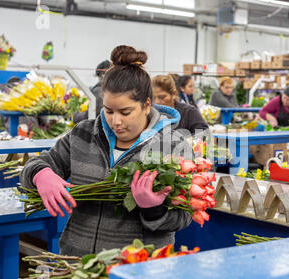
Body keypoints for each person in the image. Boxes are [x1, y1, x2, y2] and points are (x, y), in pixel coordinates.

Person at [20, 45, 193, 256]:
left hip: (136, 269)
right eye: (108, 111)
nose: (116, 121)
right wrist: (40, 175)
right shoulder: (83, 134)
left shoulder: (173, 146)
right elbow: (35, 166)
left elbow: (183, 218)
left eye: (125, 112)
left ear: (147, 105)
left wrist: (153, 209)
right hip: (76, 263)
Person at [72, 60, 111, 124]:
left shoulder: (99, 91)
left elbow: (89, 115)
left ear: (102, 75)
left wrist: (75, 115)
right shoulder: (118, 89)